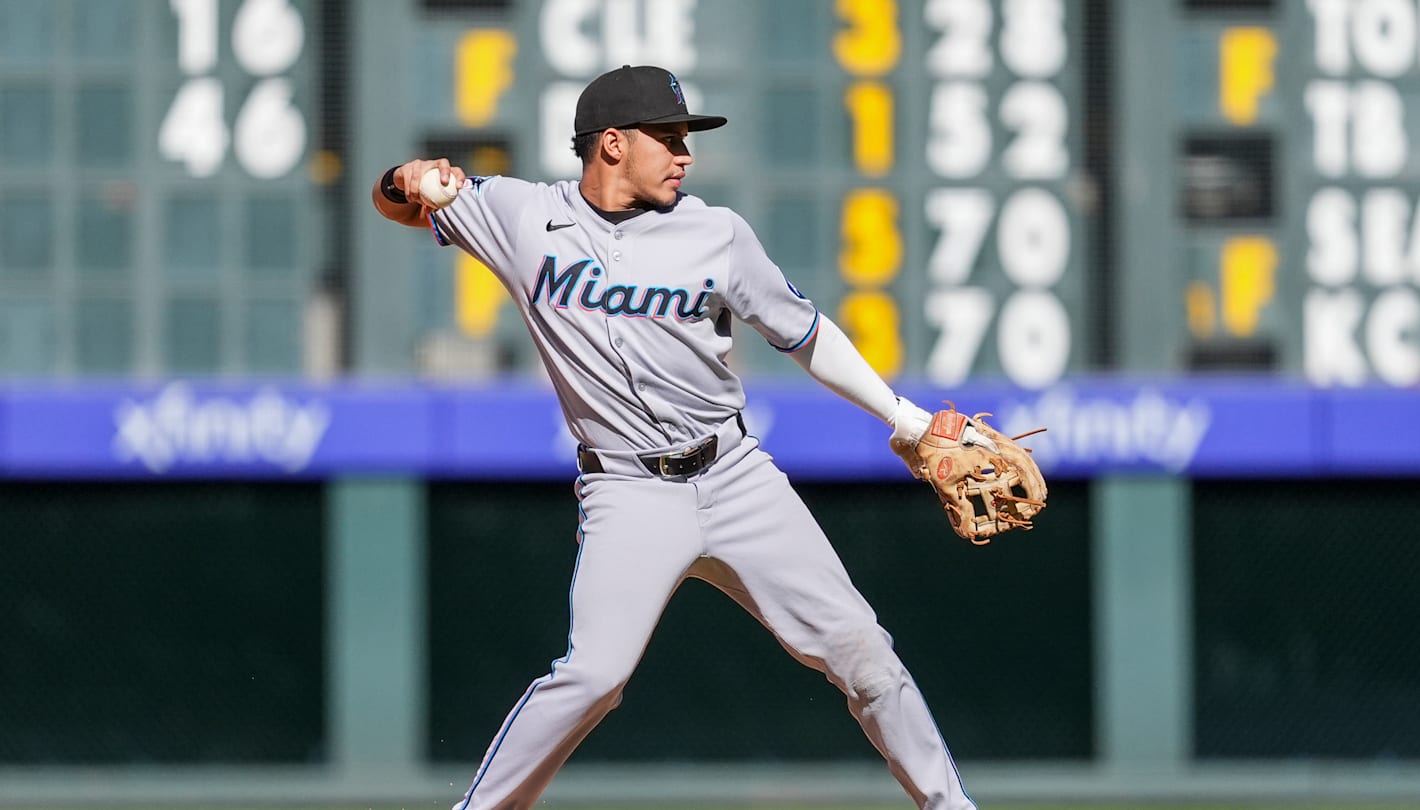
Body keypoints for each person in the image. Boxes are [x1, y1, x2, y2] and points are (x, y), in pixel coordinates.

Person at [374, 64, 979, 810]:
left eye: (686, 137)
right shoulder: (519, 215)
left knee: (864, 654)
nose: (686, 153)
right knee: (593, 677)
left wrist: (906, 419)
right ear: (613, 144)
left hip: (734, 475)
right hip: (626, 490)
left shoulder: (717, 233)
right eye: (670, 137)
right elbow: (397, 204)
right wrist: (403, 179)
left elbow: (807, 335)